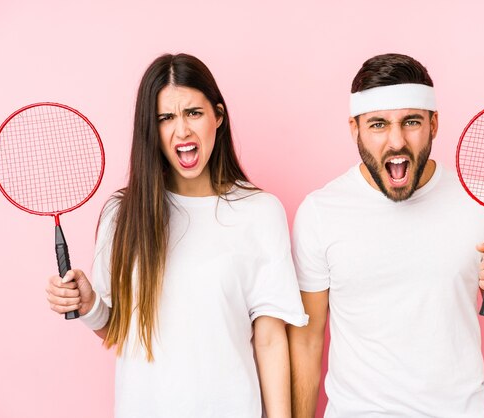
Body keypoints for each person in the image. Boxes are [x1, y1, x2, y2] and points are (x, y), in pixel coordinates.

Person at [45, 53, 308, 418]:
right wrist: (90, 306)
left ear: (218, 116)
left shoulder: (260, 212)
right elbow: (119, 332)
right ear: (151, 130)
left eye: (193, 113)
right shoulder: (122, 215)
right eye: (165, 118)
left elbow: (269, 339)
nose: (181, 130)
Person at [287, 53, 484, 417]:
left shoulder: (479, 202)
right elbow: (308, 344)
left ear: (434, 124)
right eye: (377, 124)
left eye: (411, 122)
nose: (396, 141)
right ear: (354, 129)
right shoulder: (321, 212)